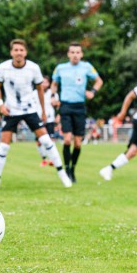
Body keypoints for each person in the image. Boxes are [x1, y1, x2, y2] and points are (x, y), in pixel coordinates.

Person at [0, 39, 72, 190]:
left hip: (30, 110)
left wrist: (43, 111)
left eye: (21, 50)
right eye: (16, 50)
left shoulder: (34, 68)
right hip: (11, 110)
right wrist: (0, 105)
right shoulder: (3, 68)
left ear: (25, 52)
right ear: (11, 52)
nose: (19, 53)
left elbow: (40, 90)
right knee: (3, 146)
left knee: (47, 141)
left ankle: (63, 175)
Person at [51, 42, 103, 183]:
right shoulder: (61, 68)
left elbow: (99, 81)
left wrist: (93, 92)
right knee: (67, 139)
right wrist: (53, 97)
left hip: (80, 107)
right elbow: (54, 84)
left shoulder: (86, 67)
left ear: (81, 54)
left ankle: (73, 168)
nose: (75, 55)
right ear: (68, 54)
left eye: (78, 52)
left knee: (78, 143)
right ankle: (66, 169)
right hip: (66, 106)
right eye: (72, 52)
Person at [34, 75, 58, 167]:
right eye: (42, 82)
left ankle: (52, 159)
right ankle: (44, 159)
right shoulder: (34, 93)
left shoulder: (53, 94)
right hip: (37, 119)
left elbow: (57, 104)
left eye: (46, 82)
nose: (44, 84)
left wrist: (55, 103)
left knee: (51, 140)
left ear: (48, 84)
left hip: (50, 119)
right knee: (39, 141)